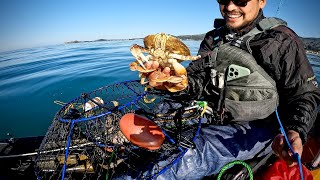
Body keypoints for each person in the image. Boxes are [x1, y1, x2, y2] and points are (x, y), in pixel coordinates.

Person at [140, 0, 320, 178]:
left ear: (262, 1)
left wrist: (296, 129)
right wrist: (176, 83)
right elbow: (197, 81)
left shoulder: (281, 40)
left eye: (241, 0)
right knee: (155, 119)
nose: (230, 7)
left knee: (187, 158)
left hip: (258, 126)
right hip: (211, 112)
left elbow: (305, 94)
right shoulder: (213, 38)